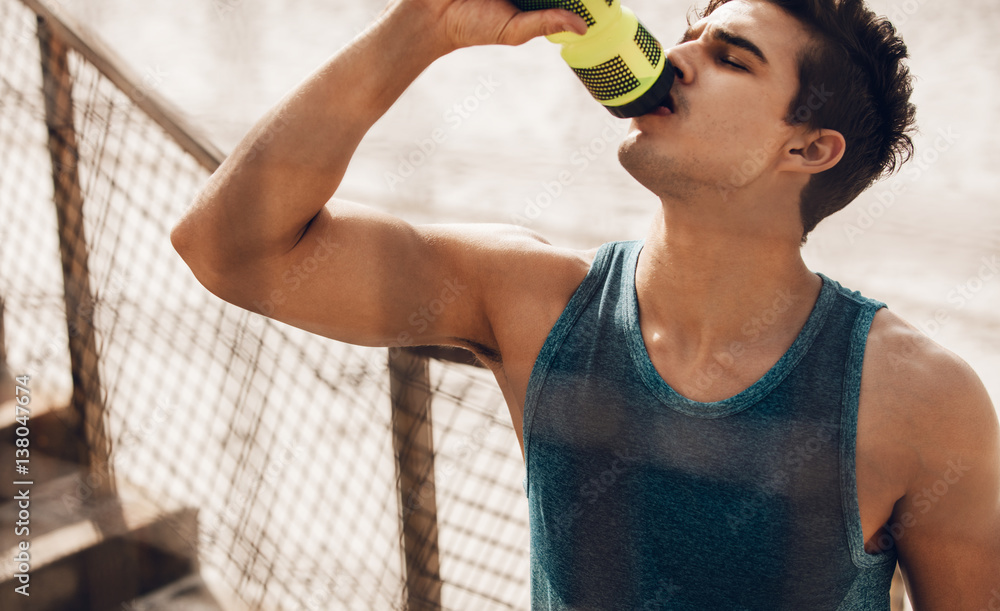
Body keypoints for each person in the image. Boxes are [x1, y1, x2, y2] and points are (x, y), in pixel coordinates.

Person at [169, 0, 1000, 607]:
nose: (677, 59)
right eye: (688, 37)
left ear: (808, 147)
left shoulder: (920, 398)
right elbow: (231, 249)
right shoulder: (532, 301)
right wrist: (423, 26)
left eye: (731, 58)